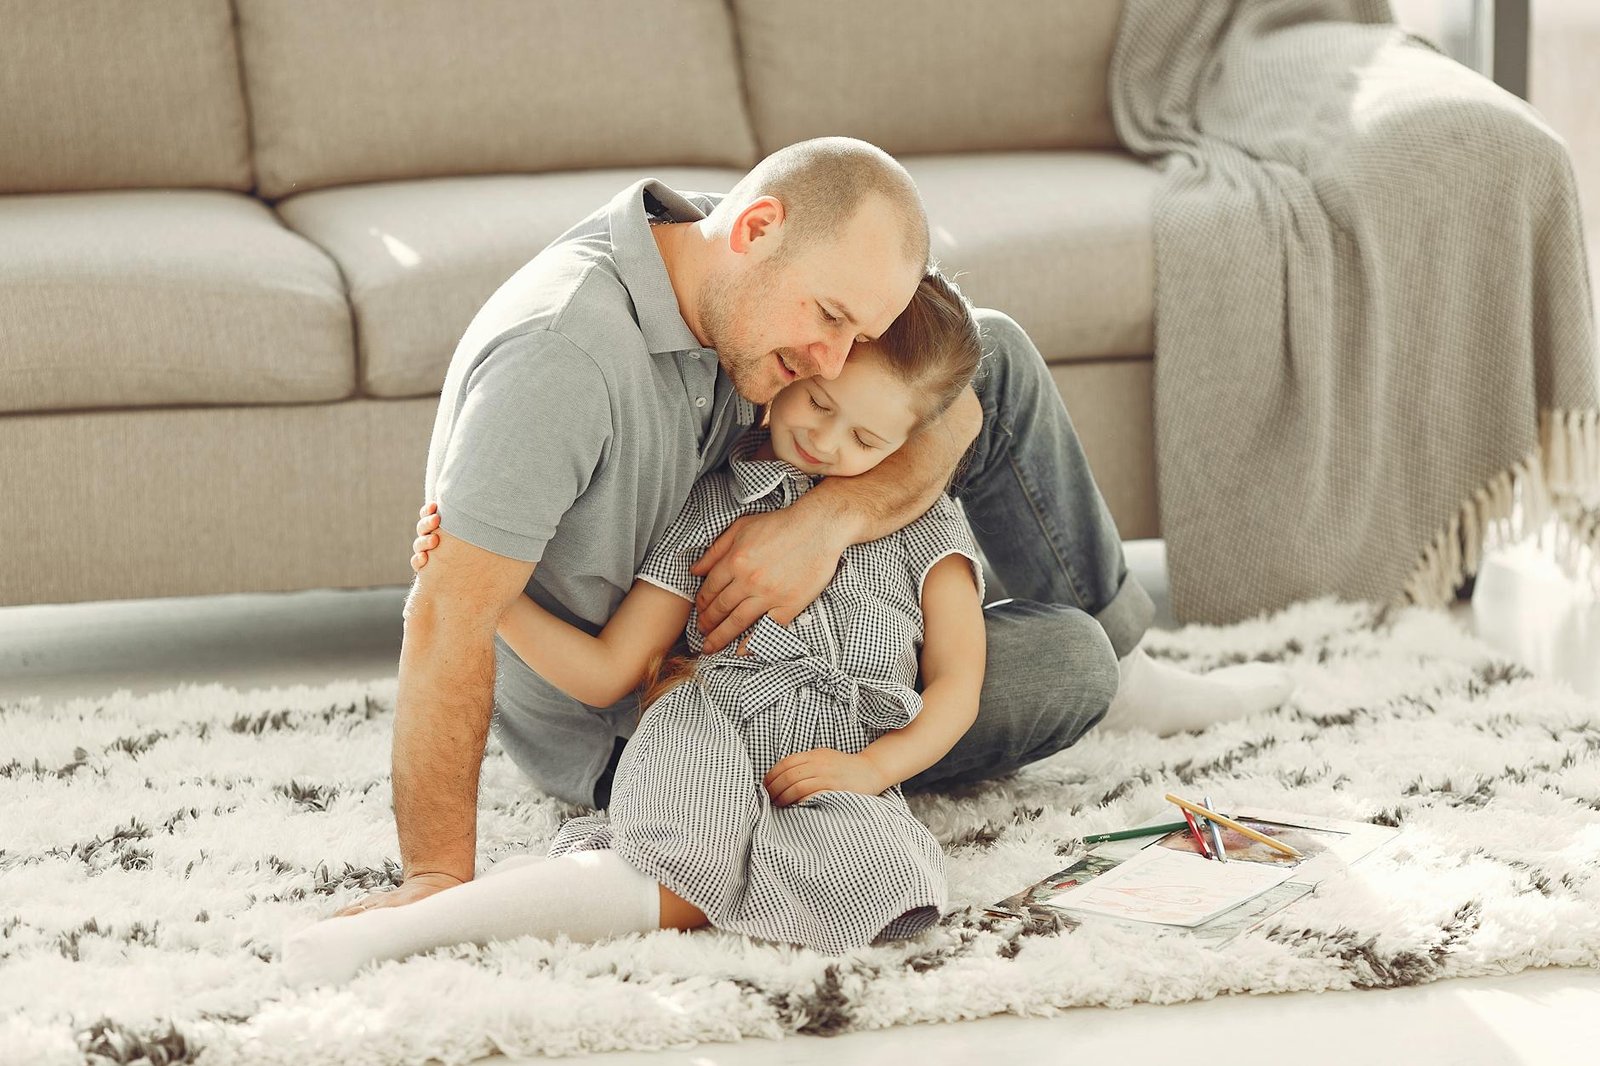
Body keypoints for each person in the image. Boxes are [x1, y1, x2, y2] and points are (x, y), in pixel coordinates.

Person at [341, 136, 1293, 921]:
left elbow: (950, 389)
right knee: (1065, 665)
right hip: (653, 716)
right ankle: (1104, 670)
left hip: (804, 636)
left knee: (985, 348)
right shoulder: (563, 360)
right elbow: (448, 616)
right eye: (828, 320)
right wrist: (435, 879)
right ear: (754, 230)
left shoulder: (733, 257)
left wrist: (831, 518)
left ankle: (1134, 664)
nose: (830, 357)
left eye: (850, 330)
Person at [282, 273, 987, 983]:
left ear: (912, 441)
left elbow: (958, 682)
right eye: (817, 402)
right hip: (708, 727)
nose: (825, 440)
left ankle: (571, 892)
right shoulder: (713, 505)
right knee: (683, 863)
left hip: (836, 761)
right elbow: (609, 671)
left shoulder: (928, 526)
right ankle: (411, 930)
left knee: (882, 876)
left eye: (865, 436)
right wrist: (494, 597)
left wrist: (876, 768)